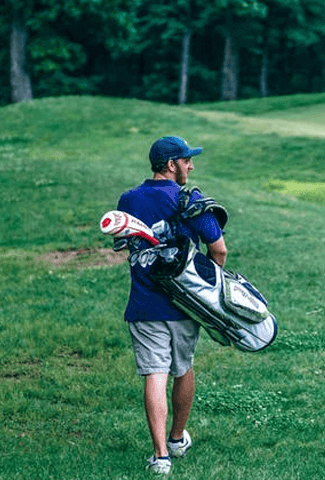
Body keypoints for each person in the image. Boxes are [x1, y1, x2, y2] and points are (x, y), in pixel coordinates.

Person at [115, 136, 228, 475]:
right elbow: (218, 249)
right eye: (186, 160)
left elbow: (121, 242)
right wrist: (208, 289)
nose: (190, 166)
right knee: (183, 368)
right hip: (184, 305)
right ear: (170, 165)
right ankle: (177, 438)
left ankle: (161, 456)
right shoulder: (188, 198)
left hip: (144, 305)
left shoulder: (129, 199)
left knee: (155, 373)